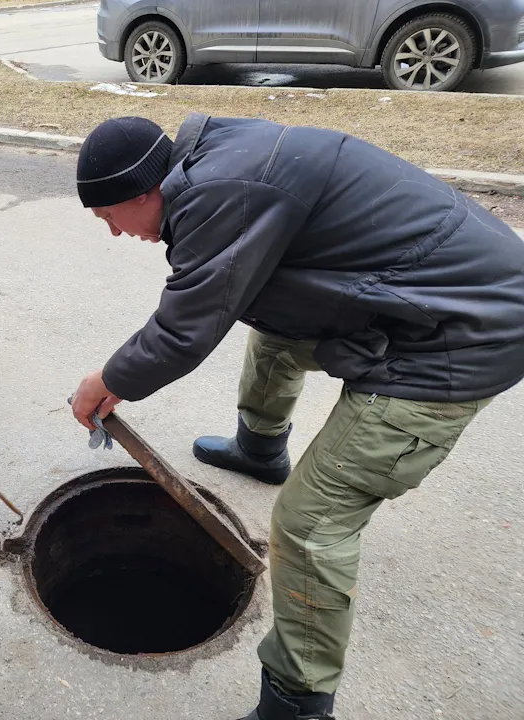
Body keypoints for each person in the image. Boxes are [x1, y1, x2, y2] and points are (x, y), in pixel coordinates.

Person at [69, 114, 524, 719]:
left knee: (310, 524)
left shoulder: (220, 193)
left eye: (110, 217)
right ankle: (260, 449)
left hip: (458, 339)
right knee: (275, 338)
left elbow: (184, 329)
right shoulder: (214, 164)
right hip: (424, 294)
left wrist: (107, 381)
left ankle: (297, 703)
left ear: (143, 191)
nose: (114, 233)